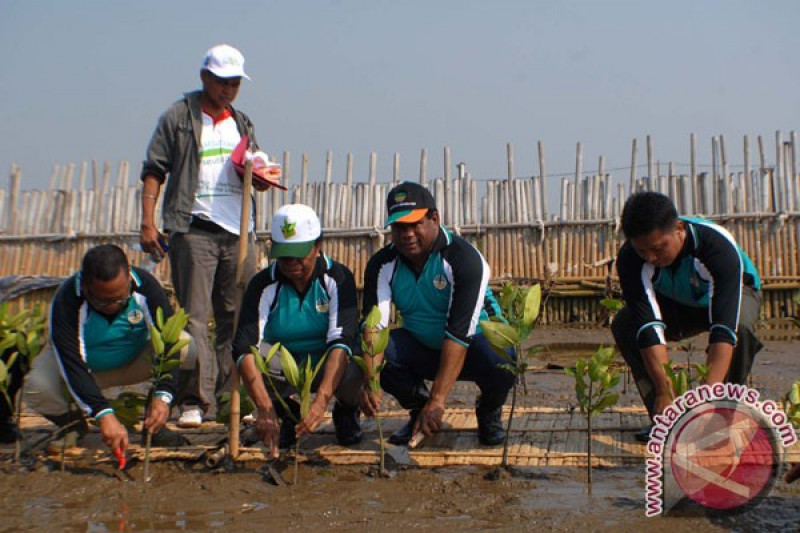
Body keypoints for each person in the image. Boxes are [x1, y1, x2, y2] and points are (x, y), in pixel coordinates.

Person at [139, 44, 266, 427]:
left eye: (235, 83)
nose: (228, 89)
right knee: (194, 318)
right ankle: (194, 400)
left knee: (236, 317)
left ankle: (232, 397)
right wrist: (148, 221)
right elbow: (154, 169)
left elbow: (256, 173)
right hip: (193, 228)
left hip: (237, 230)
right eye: (222, 82)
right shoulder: (178, 117)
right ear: (205, 78)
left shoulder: (242, 123)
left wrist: (260, 174)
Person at [361, 182, 514, 447]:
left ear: (434, 219)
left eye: (414, 224)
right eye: (399, 227)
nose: (406, 234)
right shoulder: (382, 264)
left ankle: (489, 410)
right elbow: (375, 329)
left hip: (474, 346)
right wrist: (371, 381)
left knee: (504, 358)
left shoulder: (463, 259)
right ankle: (418, 409)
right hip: (423, 347)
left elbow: (459, 333)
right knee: (378, 352)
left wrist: (439, 399)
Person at [611, 192, 763, 442]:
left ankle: (721, 417)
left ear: (679, 229)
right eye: (642, 251)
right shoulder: (629, 258)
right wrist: (664, 388)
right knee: (626, 324)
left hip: (735, 294)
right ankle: (666, 420)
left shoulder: (716, 245)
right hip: (680, 303)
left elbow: (724, 330)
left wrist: (705, 401)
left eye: (658, 248)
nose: (651, 258)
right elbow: (649, 328)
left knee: (742, 327)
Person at [23, 244, 194, 452]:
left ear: (129, 277)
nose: (114, 305)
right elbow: (72, 364)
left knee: (187, 347)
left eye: (121, 298)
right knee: (37, 385)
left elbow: (169, 343)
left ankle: (155, 426)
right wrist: (102, 413)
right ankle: (72, 425)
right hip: (86, 371)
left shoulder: (146, 286)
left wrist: (163, 395)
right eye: (104, 301)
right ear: (86, 287)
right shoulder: (67, 299)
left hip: (134, 362)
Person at [232, 204, 363, 457]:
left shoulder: (337, 278)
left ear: (317, 246)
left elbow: (341, 340)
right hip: (286, 364)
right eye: (284, 257)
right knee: (249, 357)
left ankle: (346, 411)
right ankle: (286, 414)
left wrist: (322, 400)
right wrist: (264, 407)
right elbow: (245, 345)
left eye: (298, 256)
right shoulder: (263, 284)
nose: (291, 264)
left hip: (326, 362)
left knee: (355, 361)